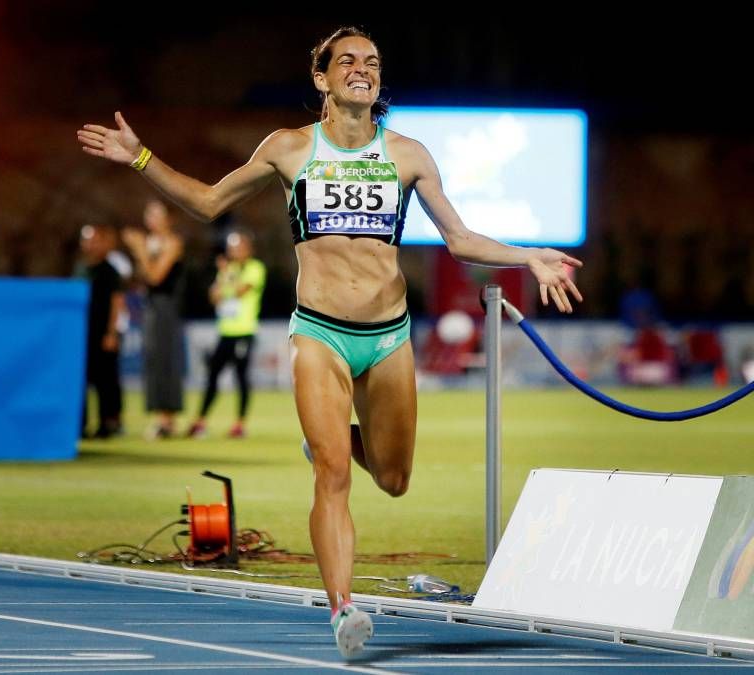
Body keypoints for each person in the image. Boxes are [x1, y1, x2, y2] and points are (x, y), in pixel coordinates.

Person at [78, 26, 583, 659]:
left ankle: (330, 439)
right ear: (322, 78)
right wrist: (141, 158)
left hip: (388, 336)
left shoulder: (408, 154)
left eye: (371, 62)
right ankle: (345, 608)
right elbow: (208, 203)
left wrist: (528, 257)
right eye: (347, 61)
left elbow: (459, 239)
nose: (362, 70)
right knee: (334, 474)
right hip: (319, 333)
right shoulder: (288, 149)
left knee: (394, 478)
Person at [187, 229, 266, 439]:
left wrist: (227, 279)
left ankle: (240, 424)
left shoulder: (255, 268)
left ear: (248, 249)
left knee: (241, 377)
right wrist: (225, 281)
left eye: (239, 247)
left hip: (244, 332)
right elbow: (213, 296)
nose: (235, 251)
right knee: (212, 375)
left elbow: (241, 290)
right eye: (232, 248)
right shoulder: (228, 269)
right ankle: (200, 421)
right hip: (226, 331)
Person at [123, 200, 186, 439]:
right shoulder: (151, 243)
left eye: (157, 214)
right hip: (150, 306)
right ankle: (160, 416)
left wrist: (139, 249)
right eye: (149, 213)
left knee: (165, 359)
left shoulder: (172, 242)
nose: (152, 219)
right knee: (153, 360)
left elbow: (156, 276)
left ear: (169, 219)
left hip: (166, 307)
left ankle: (167, 420)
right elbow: (142, 278)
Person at [79, 223, 125, 438]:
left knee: (105, 381)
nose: (91, 245)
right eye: (87, 240)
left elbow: (117, 302)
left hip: (102, 333)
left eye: (95, 240)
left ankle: (108, 423)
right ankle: (80, 424)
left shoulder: (109, 271)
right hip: (81, 335)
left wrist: (112, 333)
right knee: (81, 381)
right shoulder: (80, 269)